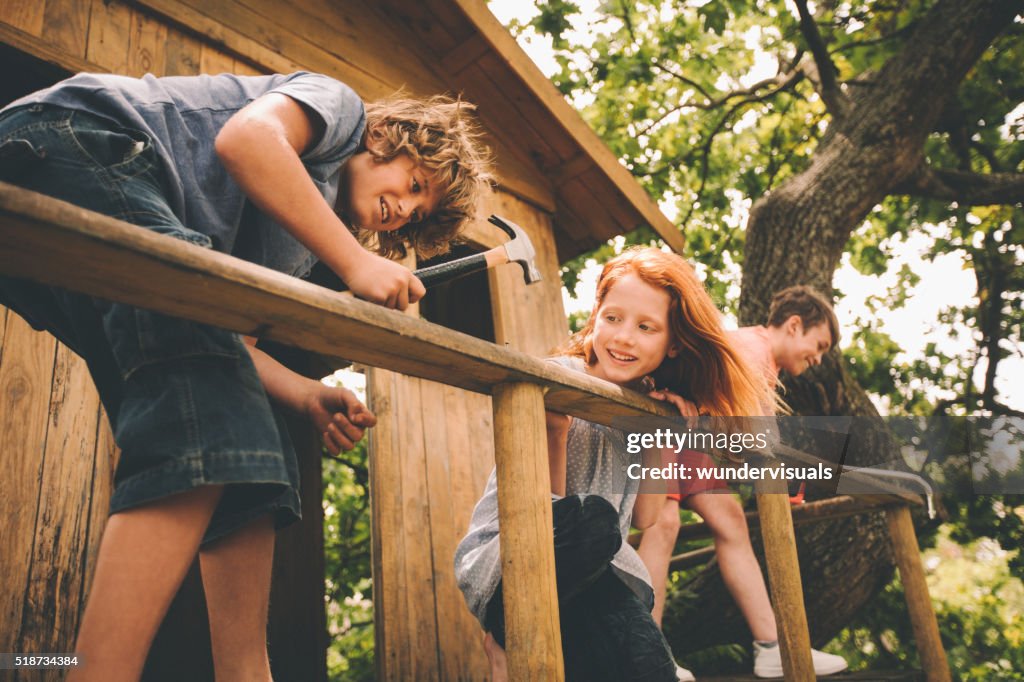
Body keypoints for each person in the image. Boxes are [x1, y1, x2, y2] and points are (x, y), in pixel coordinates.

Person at [0, 70, 491, 681]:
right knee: (209, 412)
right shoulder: (337, 112)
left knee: (252, 456)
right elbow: (246, 140)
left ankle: (245, 673)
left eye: (417, 214)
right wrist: (356, 262)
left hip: (53, 247)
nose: (405, 209)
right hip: (75, 143)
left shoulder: (294, 244)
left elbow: (225, 343)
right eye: (415, 183)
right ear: (386, 138)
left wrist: (304, 392)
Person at [454, 247, 766, 681]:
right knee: (592, 521)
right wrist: (555, 431)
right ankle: (504, 638)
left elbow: (645, 517)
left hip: (599, 575)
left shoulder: (647, 409)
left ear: (673, 343)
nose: (623, 337)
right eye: (613, 318)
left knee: (649, 664)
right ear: (596, 313)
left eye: (645, 327)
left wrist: (660, 435)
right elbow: (540, 509)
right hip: (513, 554)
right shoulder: (555, 377)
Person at [636, 284, 848, 680]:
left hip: (690, 434)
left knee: (731, 520)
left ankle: (771, 647)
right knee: (662, 525)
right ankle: (646, 657)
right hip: (663, 421)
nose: (817, 358)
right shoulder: (752, 349)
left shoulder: (765, 363)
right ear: (794, 325)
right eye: (817, 345)